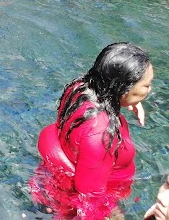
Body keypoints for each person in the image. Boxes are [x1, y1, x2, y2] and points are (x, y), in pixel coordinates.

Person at [30, 42, 154, 220]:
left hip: (52, 183)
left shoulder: (81, 88)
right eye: (146, 85)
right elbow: (89, 199)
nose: (150, 89)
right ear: (124, 89)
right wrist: (112, 214)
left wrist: (128, 101)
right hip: (76, 204)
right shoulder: (101, 135)